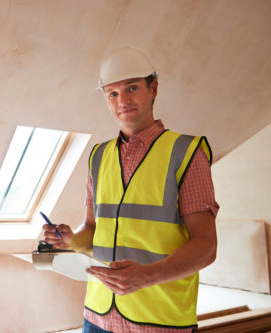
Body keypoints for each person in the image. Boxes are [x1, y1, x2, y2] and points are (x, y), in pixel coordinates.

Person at [43, 47, 218, 333]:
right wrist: (71, 240)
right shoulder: (98, 157)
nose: (122, 100)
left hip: (159, 321)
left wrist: (148, 276)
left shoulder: (186, 152)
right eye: (112, 93)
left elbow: (206, 247)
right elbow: (92, 229)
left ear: (153, 89)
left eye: (132, 88)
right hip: (97, 316)